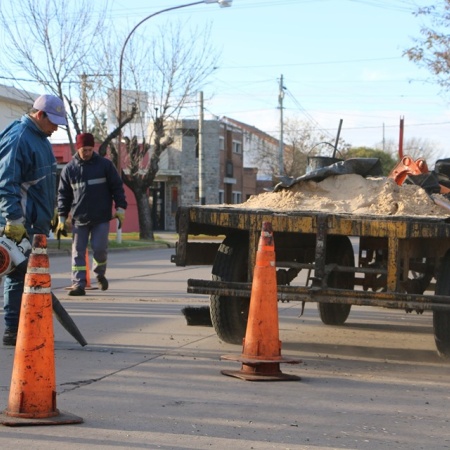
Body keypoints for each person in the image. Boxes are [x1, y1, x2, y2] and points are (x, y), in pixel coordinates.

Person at [0, 94, 68, 346]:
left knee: (30, 276)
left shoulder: (41, 139)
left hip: (36, 222)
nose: (56, 128)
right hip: (21, 222)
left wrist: (51, 214)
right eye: (54, 122)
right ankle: (12, 329)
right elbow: (6, 182)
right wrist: (14, 219)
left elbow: (43, 183)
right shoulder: (19, 138)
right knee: (18, 275)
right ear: (40, 115)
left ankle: (25, 326)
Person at [57, 132, 127, 297]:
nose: (87, 153)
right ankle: (78, 284)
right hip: (79, 218)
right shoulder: (69, 169)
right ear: (78, 148)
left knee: (100, 249)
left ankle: (100, 273)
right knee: (78, 252)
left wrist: (120, 208)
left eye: (89, 149)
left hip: (101, 218)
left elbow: (117, 187)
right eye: (84, 150)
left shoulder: (105, 165)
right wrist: (61, 217)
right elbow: (63, 195)